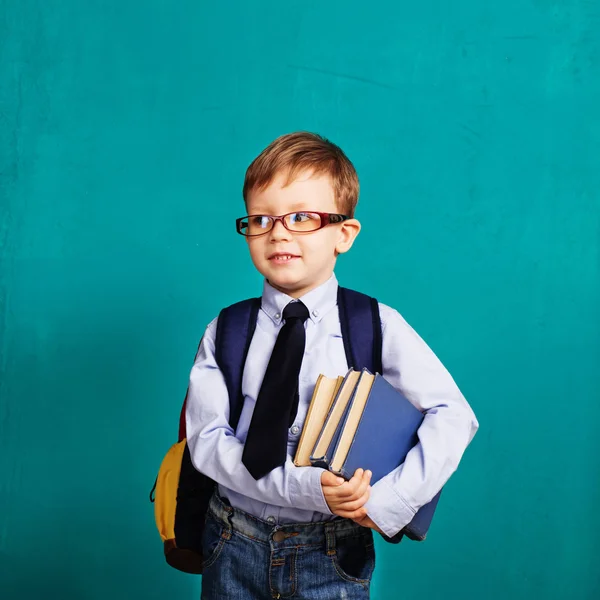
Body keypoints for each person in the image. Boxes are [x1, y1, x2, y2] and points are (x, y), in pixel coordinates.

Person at [185, 131, 479, 599]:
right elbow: (205, 443)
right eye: (262, 219)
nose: (279, 232)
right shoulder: (226, 330)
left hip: (330, 551)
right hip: (232, 540)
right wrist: (305, 487)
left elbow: (454, 415)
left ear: (344, 234)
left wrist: (386, 503)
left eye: (302, 217)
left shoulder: (374, 324)